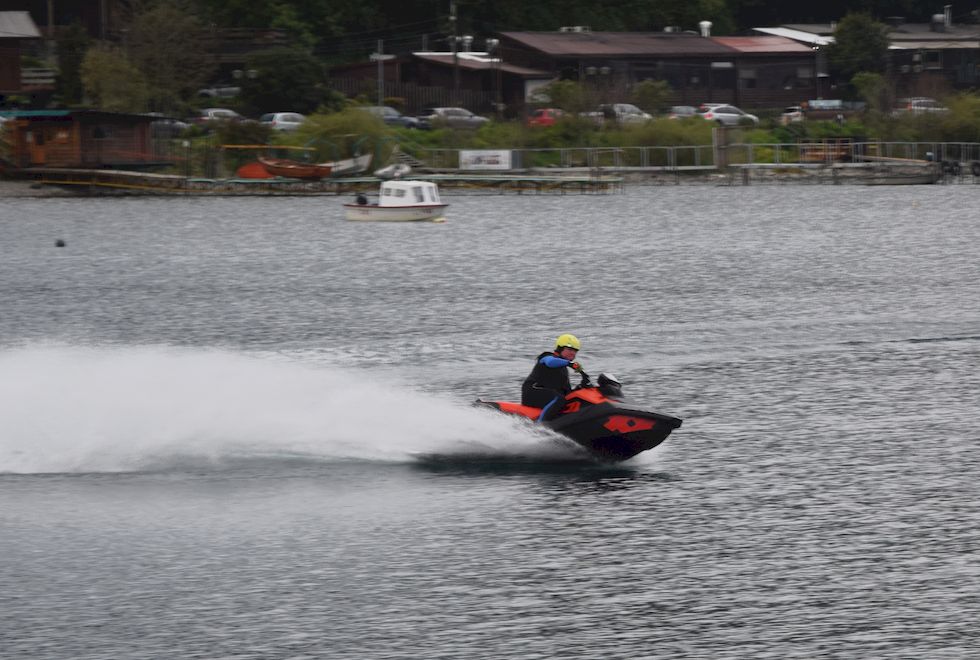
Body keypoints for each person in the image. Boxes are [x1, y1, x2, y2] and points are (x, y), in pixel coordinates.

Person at [522, 333, 584, 421]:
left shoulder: (564, 371)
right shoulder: (547, 357)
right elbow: (550, 362)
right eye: (570, 349)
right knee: (559, 398)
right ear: (560, 348)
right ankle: (540, 427)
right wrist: (569, 363)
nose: (573, 353)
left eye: (575, 351)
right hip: (532, 392)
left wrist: (581, 388)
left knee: (569, 399)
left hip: (547, 396)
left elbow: (567, 393)